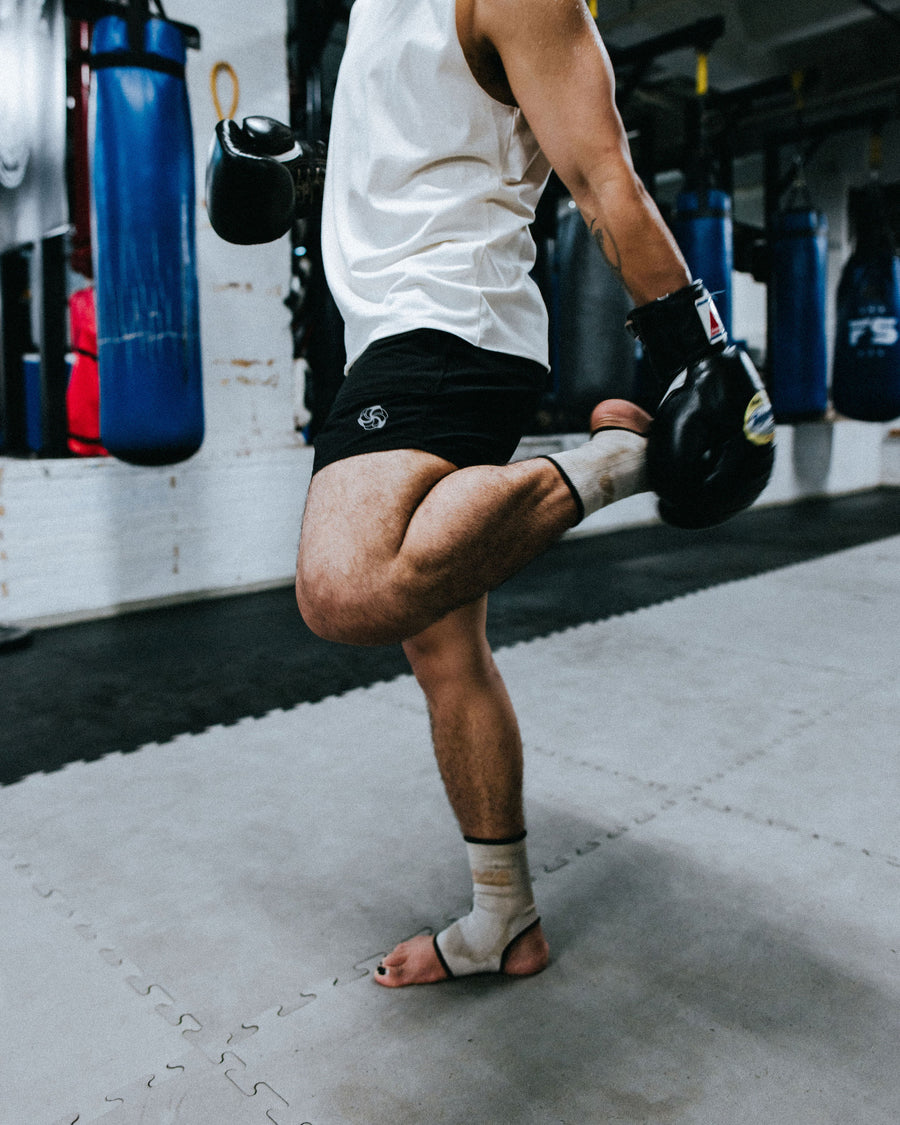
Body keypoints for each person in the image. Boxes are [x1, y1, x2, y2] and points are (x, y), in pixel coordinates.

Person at [207, 0, 774, 987]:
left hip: (448, 327)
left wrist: (704, 359)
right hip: (391, 334)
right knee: (442, 645)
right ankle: (506, 919)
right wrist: (311, 176)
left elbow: (604, 180)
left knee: (345, 586)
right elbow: (429, 149)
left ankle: (615, 461)